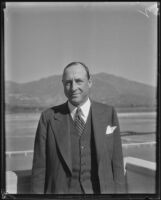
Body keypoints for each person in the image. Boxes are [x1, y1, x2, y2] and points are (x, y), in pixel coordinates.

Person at [31, 62, 125, 194]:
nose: (73, 87)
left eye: (79, 81)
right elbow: (39, 169)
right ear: (63, 84)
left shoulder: (108, 114)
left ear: (90, 82)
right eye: (68, 82)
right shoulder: (48, 118)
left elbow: (117, 165)